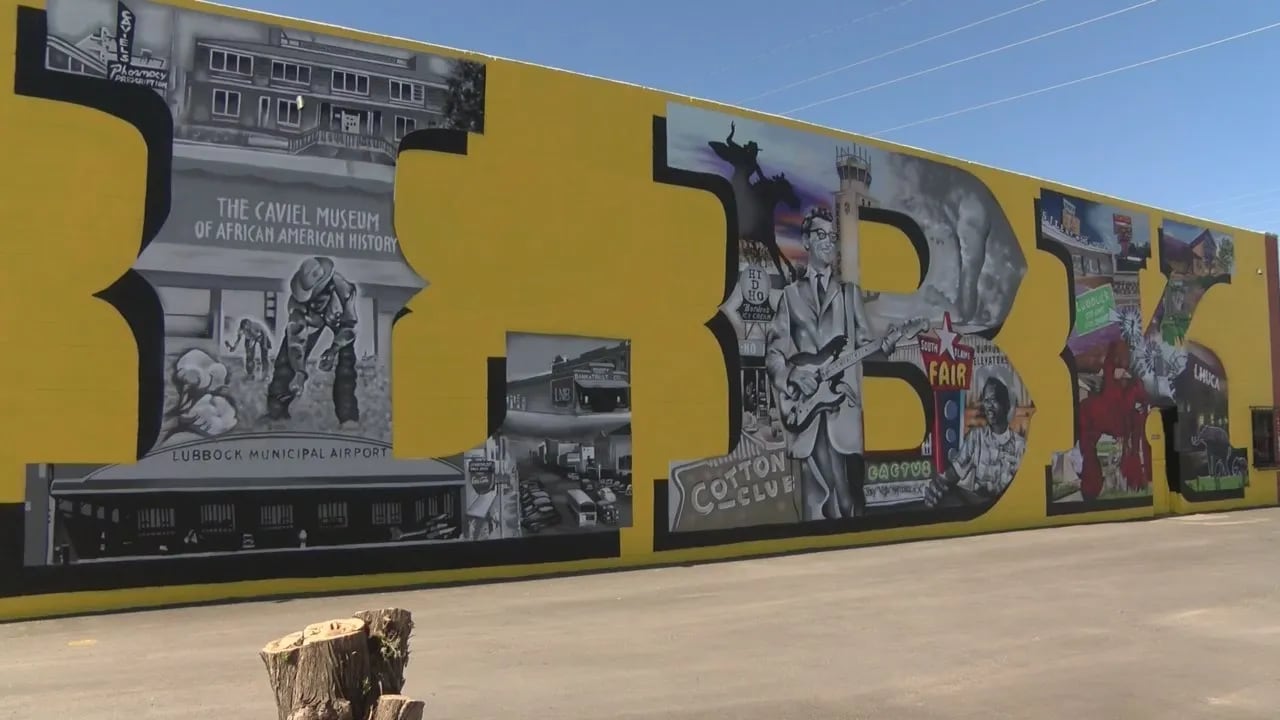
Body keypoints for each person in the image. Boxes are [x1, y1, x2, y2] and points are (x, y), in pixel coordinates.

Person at [765, 206, 897, 520]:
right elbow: (773, 355)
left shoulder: (849, 294)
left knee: (850, 497)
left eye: (832, 236)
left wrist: (886, 346)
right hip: (806, 412)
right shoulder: (790, 297)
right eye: (821, 235)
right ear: (806, 242)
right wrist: (794, 374)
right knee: (816, 503)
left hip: (843, 409)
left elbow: (866, 347)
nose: (828, 242)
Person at [266, 256, 361, 427]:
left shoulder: (344, 291)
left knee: (346, 363)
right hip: (312, 322)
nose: (312, 303)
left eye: (316, 299)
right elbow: (296, 339)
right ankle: (277, 411)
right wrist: (299, 372)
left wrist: (332, 351)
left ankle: (348, 417)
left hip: (341, 324)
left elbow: (350, 328)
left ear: (327, 289)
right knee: (284, 361)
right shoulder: (297, 305)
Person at [922, 376, 1026, 507]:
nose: (988, 406)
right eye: (986, 401)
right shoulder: (976, 437)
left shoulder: (1020, 446)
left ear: (1006, 404)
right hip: (977, 508)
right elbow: (953, 473)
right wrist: (938, 485)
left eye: (993, 400)